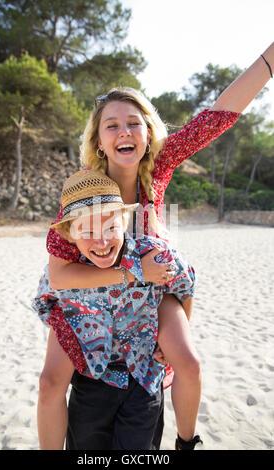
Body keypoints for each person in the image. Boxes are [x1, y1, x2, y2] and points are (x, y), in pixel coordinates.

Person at [44, 43, 274, 447]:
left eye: (134, 123)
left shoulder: (159, 167)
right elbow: (58, 271)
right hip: (92, 290)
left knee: (188, 361)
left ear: (148, 133)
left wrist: (268, 62)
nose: (124, 132)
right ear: (98, 140)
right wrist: (127, 269)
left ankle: (187, 443)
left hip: (152, 284)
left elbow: (217, 117)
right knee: (49, 382)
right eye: (111, 126)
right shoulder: (85, 187)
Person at [33, 169, 197, 450]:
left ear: (124, 222)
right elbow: (48, 307)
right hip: (93, 380)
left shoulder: (153, 255)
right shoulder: (65, 276)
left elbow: (185, 284)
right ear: (69, 235)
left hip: (142, 379)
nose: (101, 241)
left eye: (110, 227)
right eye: (87, 231)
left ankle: (187, 442)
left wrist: (168, 339)